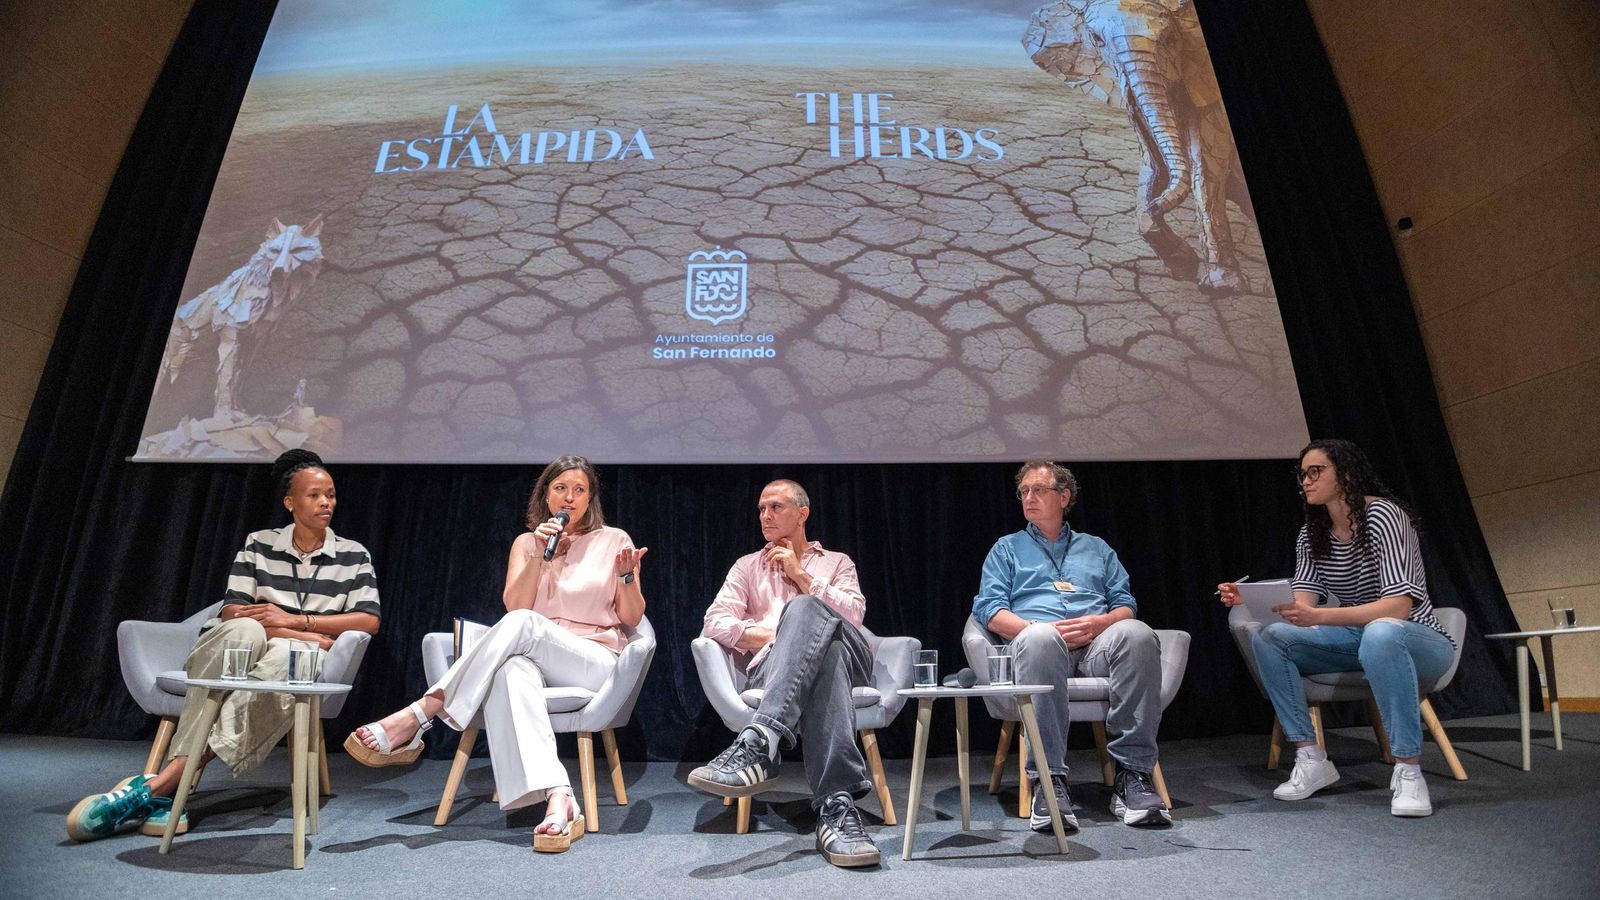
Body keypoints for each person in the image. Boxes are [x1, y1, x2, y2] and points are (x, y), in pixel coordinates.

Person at [67, 449, 380, 842]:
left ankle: (159, 788)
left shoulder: (353, 554)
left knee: (292, 659)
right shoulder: (259, 543)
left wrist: (295, 623)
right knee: (244, 633)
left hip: (295, 654)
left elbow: (368, 619)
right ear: (289, 502)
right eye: (314, 495)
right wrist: (300, 632)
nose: (325, 503)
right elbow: (234, 611)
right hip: (241, 644)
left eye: (330, 495)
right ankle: (169, 787)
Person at [347, 455, 646, 852]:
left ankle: (422, 712)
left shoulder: (614, 540)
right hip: (536, 658)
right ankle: (560, 799)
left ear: (590, 499)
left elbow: (632, 616)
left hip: (593, 662)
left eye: (579, 490)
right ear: (545, 495)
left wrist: (626, 576)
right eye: (560, 489)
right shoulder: (527, 544)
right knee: (509, 672)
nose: (569, 499)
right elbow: (516, 604)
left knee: (525, 625)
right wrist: (540, 554)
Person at [1220, 439, 1454, 817]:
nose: (1306, 482)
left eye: (1316, 472)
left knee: (1382, 631)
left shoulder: (1384, 516)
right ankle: (1311, 758)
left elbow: (1398, 606)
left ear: (1345, 473)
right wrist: (1246, 597)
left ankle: (1409, 770)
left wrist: (1322, 618)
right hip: (1359, 640)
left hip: (1417, 639)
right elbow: (1301, 607)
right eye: (1303, 475)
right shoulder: (1312, 533)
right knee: (1269, 636)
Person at [688, 479, 880, 868]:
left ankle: (760, 742)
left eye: (776, 507)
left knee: (809, 610)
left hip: (855, 660)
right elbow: (715, 622)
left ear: (802, 513)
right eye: (761, 509)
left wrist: (802, 577)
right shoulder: (747, 566)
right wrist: (785, 637)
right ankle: (836, 806)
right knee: (827, 653)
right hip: (780, 670)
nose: (765, 515)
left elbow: (855, 616)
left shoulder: (837, 562)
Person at [973, 461, 1171, 829]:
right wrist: (1036, 628)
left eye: (1038, 490)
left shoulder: (1095, 548)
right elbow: (989, 610)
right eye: (1024, 492)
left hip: (1095, 646)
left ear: (1064, 497)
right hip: (1039, 648)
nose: (1028, 498)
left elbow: (1125, 604)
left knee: (1138, 632)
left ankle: (1132, 776)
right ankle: (1049, 783)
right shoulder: (1007, 549)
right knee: (1041, 638)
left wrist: (1102, 623)